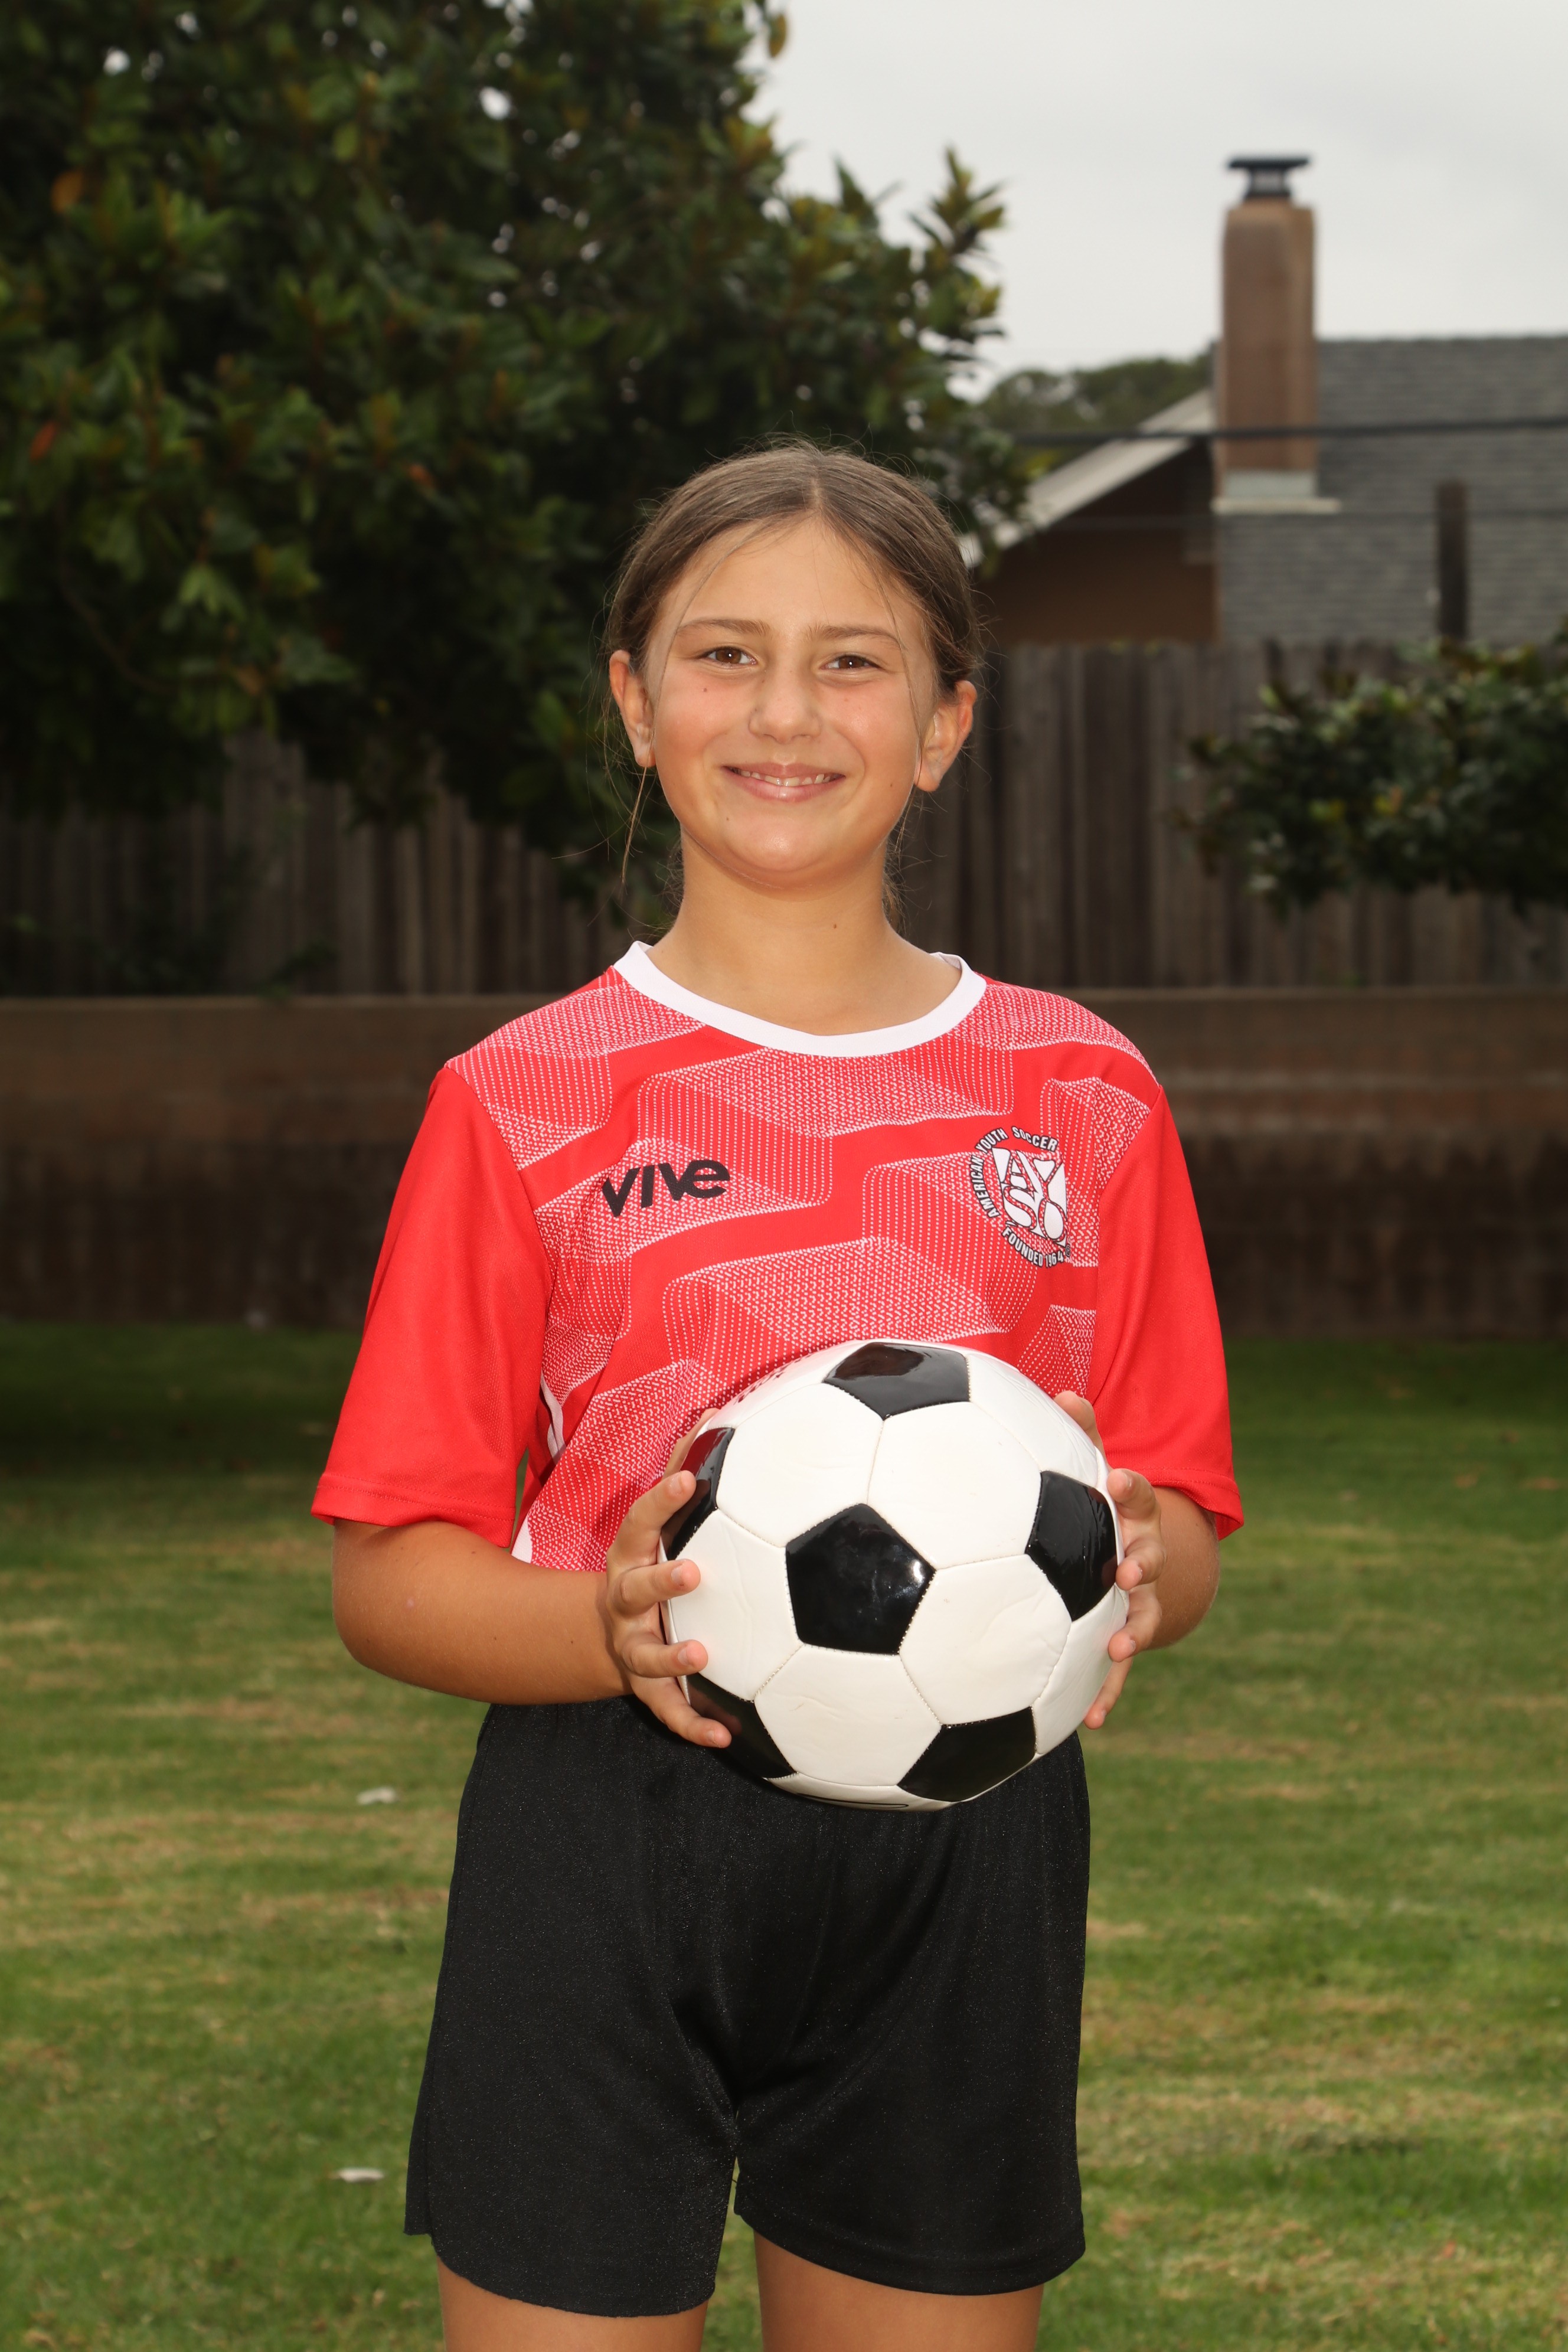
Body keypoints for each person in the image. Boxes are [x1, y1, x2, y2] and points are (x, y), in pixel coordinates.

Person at [315, 443, 1242, 2352]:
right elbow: (390, 1576)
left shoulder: (1083, 1095)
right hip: (600, 1839)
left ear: (946, 721)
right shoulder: (522, 1100)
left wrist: (1143, 1564)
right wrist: (603, 1625)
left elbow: (1179, 1517)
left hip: (969, 1841)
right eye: (725, 654)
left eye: (853, 661)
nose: (785, 714)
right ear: (635, 700)